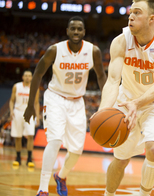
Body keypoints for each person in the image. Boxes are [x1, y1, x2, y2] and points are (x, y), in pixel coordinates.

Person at [97, 0, 154, 196]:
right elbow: (113, 81)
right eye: (130, 12)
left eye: (137, 12)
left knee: (153, 149)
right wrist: (103, 110)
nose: (130, 16)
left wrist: (138, 103)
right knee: (121, 159)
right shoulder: (120, 41)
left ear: (152, 19)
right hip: (127, 101)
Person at [24, 16, 106, 196]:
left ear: (84, 32)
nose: (76, 32)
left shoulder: (93, 51)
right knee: (54, 141)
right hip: (55, 98)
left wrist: (106, 102)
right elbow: (37, 74)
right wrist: (31, 105)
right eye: (73, 29)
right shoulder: (55, 50)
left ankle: (61, 176)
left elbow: (101, 76)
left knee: (76, 151)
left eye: (79, 29)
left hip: (77, 101)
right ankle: (43, 189)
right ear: (67, 31)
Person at [9, 70, 40, 167]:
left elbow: (36, 103)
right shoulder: (16, 86)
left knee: (30, 136)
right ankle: (18, 158)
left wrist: (38, 116)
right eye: (26, 75)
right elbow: (11, 100)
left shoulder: (35, 88)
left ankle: (29, 159)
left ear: (31, 78)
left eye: (29, 76)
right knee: (18, 137)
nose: (27, 77)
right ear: (22, 77)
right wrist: (11, 111)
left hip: (29, 113)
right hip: (18, 112)